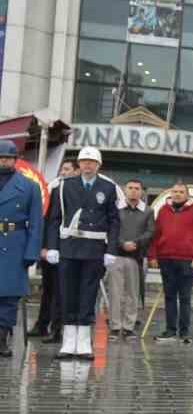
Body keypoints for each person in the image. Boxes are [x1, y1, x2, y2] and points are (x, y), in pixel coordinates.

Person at [43, 147, 120, 360]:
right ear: (79, 164)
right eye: (84, 161)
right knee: (67, 293)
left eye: (92, 162)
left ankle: (84, 342)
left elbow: (114, 221)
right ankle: (68, 341)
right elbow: (54, 219)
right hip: (69, 247)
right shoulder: (64, 186)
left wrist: (111, 249)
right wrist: (52, 247)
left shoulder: (108, 187)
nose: (87, 165)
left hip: (94, 249)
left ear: (98, 165)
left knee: (88, 294)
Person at [148, 181, 193, 343]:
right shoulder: (163, 210)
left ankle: (184, 331)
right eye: (175, 191)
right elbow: (155, 234)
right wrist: (153, 255)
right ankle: (170, 330)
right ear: (171, 193)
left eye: (181, 192)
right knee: (169, 296)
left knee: (185, 297)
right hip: (166, 258)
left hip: (187, 260)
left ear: (187, 194)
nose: (177, 194)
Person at [0, 139, 44, 358]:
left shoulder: (29, 186)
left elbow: (36, 223)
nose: (3, 161)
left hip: (14, 242)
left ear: (15, 160)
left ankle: (2, 339)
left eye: (7, 158)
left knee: (9, 297)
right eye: (0, 158)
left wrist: (31, 253)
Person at [27, 157, 73, 343]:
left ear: (76, 171)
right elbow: (46, 221)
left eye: (68, 169)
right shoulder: (52, 189)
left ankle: (57, 328)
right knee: (48, 289)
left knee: (61, 292)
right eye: (62, 168)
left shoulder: (75, 192)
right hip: (50, 249)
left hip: (67, 250)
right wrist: (44, 247)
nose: (63, 172)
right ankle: (42, 324)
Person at [106, 178, 153, 339]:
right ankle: (114, 326)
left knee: (133, 294)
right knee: (115, 292)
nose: (133, 190)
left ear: (142, 191)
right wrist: (121, 243)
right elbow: (110, 229)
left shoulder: (148, 211)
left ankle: (128, 326)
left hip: (136, 257)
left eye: (137, 188)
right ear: (125, 190)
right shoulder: (115, 208)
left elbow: (150, 232)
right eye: (130, 188)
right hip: (116, 255)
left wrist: (136, 243)